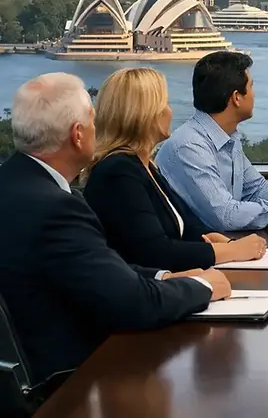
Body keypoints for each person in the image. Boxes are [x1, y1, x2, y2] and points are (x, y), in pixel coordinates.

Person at [0, 73, 230, 385]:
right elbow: (133, 304)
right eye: (92, 120)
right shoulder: (55, 208)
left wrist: (163, 277)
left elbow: (92, 269)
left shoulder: (14, 185)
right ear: (78, 135)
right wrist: (204, 287)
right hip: (71, 382)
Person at [84, 68, 267, 272]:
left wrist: (212, 240)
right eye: (166, 104)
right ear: (146, 113)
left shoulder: (145, 166)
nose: (170, 112)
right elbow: (155, 253)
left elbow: (187, 225)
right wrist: (233, 252)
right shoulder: (118, 172)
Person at [156, 52, 268, 232]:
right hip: (200, 254)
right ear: (236, 97)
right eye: (251, 87)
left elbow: (256, 189)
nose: (254, 94)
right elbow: (226, 216)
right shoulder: (189, 146)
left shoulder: (227, 137)